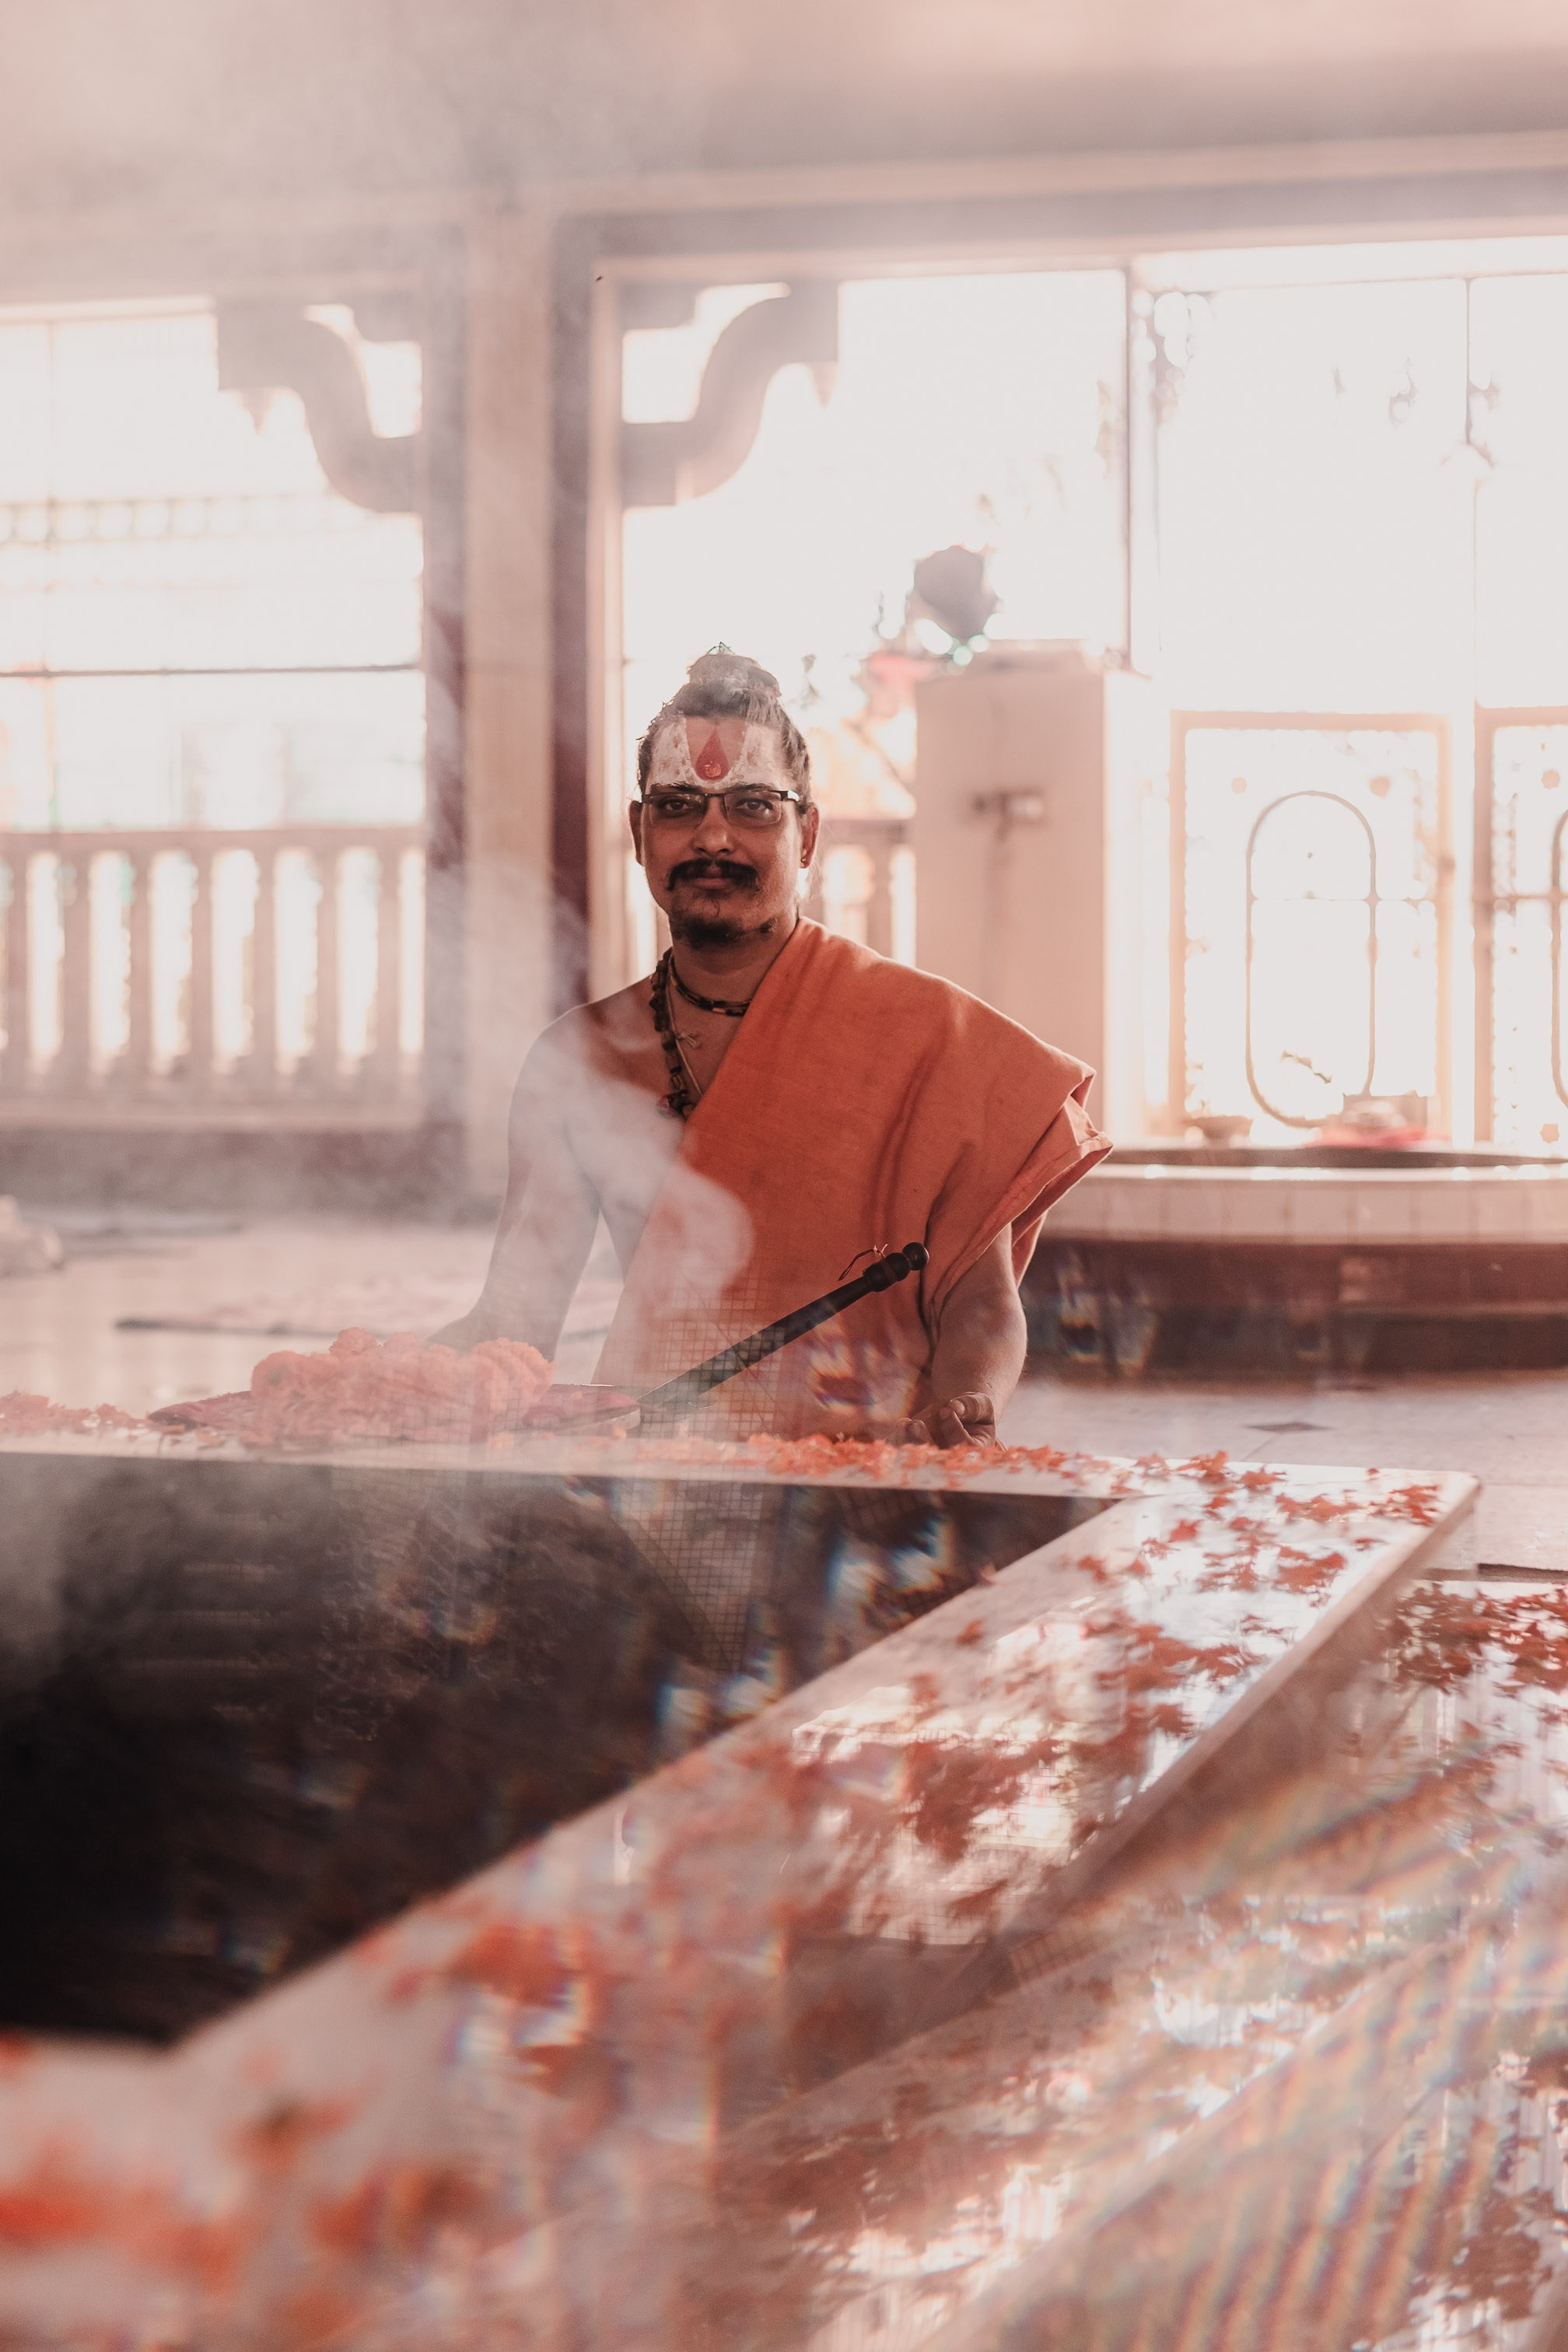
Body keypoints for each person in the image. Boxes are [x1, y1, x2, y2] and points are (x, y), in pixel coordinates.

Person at [439, 649, 1108, 1445]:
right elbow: (516, 1317)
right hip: (659, 1467)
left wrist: (967, 1402)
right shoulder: (580, 1059)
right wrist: (378, 1379)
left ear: (807, 834)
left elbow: (984, 1302)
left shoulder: (926, 1038)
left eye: (754, 807)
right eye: (681, 805)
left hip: (872, 1479)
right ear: (640, 830)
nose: (713, 836)